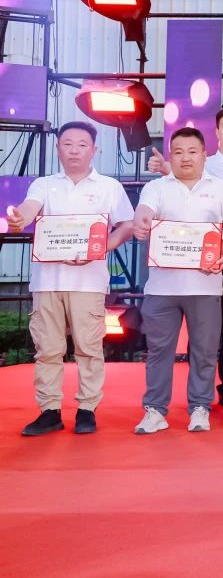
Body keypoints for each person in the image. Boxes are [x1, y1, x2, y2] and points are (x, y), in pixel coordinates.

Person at [8, 122, 134, 436]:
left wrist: (103, 246)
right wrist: (19, 217)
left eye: (81, 144)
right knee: (47, 349)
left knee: (89, 348)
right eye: (67, 144)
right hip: (47, 281)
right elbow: (29, 208)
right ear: (58, 149)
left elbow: (127, 225)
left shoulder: (108, 187)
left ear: (94, 150)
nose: (74, 150)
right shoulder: (44, 185)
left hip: (88, 282)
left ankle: (87, 409)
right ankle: (49, 411)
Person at [150, 105, 223, 410]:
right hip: (193, 249)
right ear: (216, 132)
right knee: (200, 322)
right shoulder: (203, 162)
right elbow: (178, 178)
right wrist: (163, 168)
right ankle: (198, 390)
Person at [132, 127, 223, 434]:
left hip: (205, 285)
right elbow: (144, 212)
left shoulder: (221, 188)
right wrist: (141, 221)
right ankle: (155, 410)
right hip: (161, 287)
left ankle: (200, 408)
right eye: (178, 152)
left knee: (204, 351)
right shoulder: (156, 188)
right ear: (170, 156)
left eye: (192, 151)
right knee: (158, 351)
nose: (185, 158)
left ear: (204, 154)